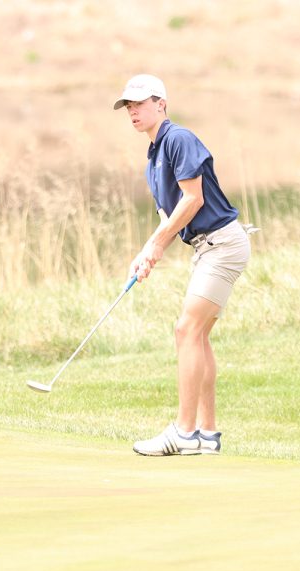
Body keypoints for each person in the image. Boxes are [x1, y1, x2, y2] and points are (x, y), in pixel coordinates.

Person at [114, 74, 252, 456]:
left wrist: (158, 243)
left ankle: (184, 432)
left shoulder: (178, 139)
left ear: (162, 104)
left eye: (140, 103)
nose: (133, 111)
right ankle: (207, 434)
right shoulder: (153, 158)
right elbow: (169, 217)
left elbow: (193, 199)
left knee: (185, 330)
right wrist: (147, 253)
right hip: (208, 248)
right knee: (198, 335)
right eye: (128, 105)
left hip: (222, 244)